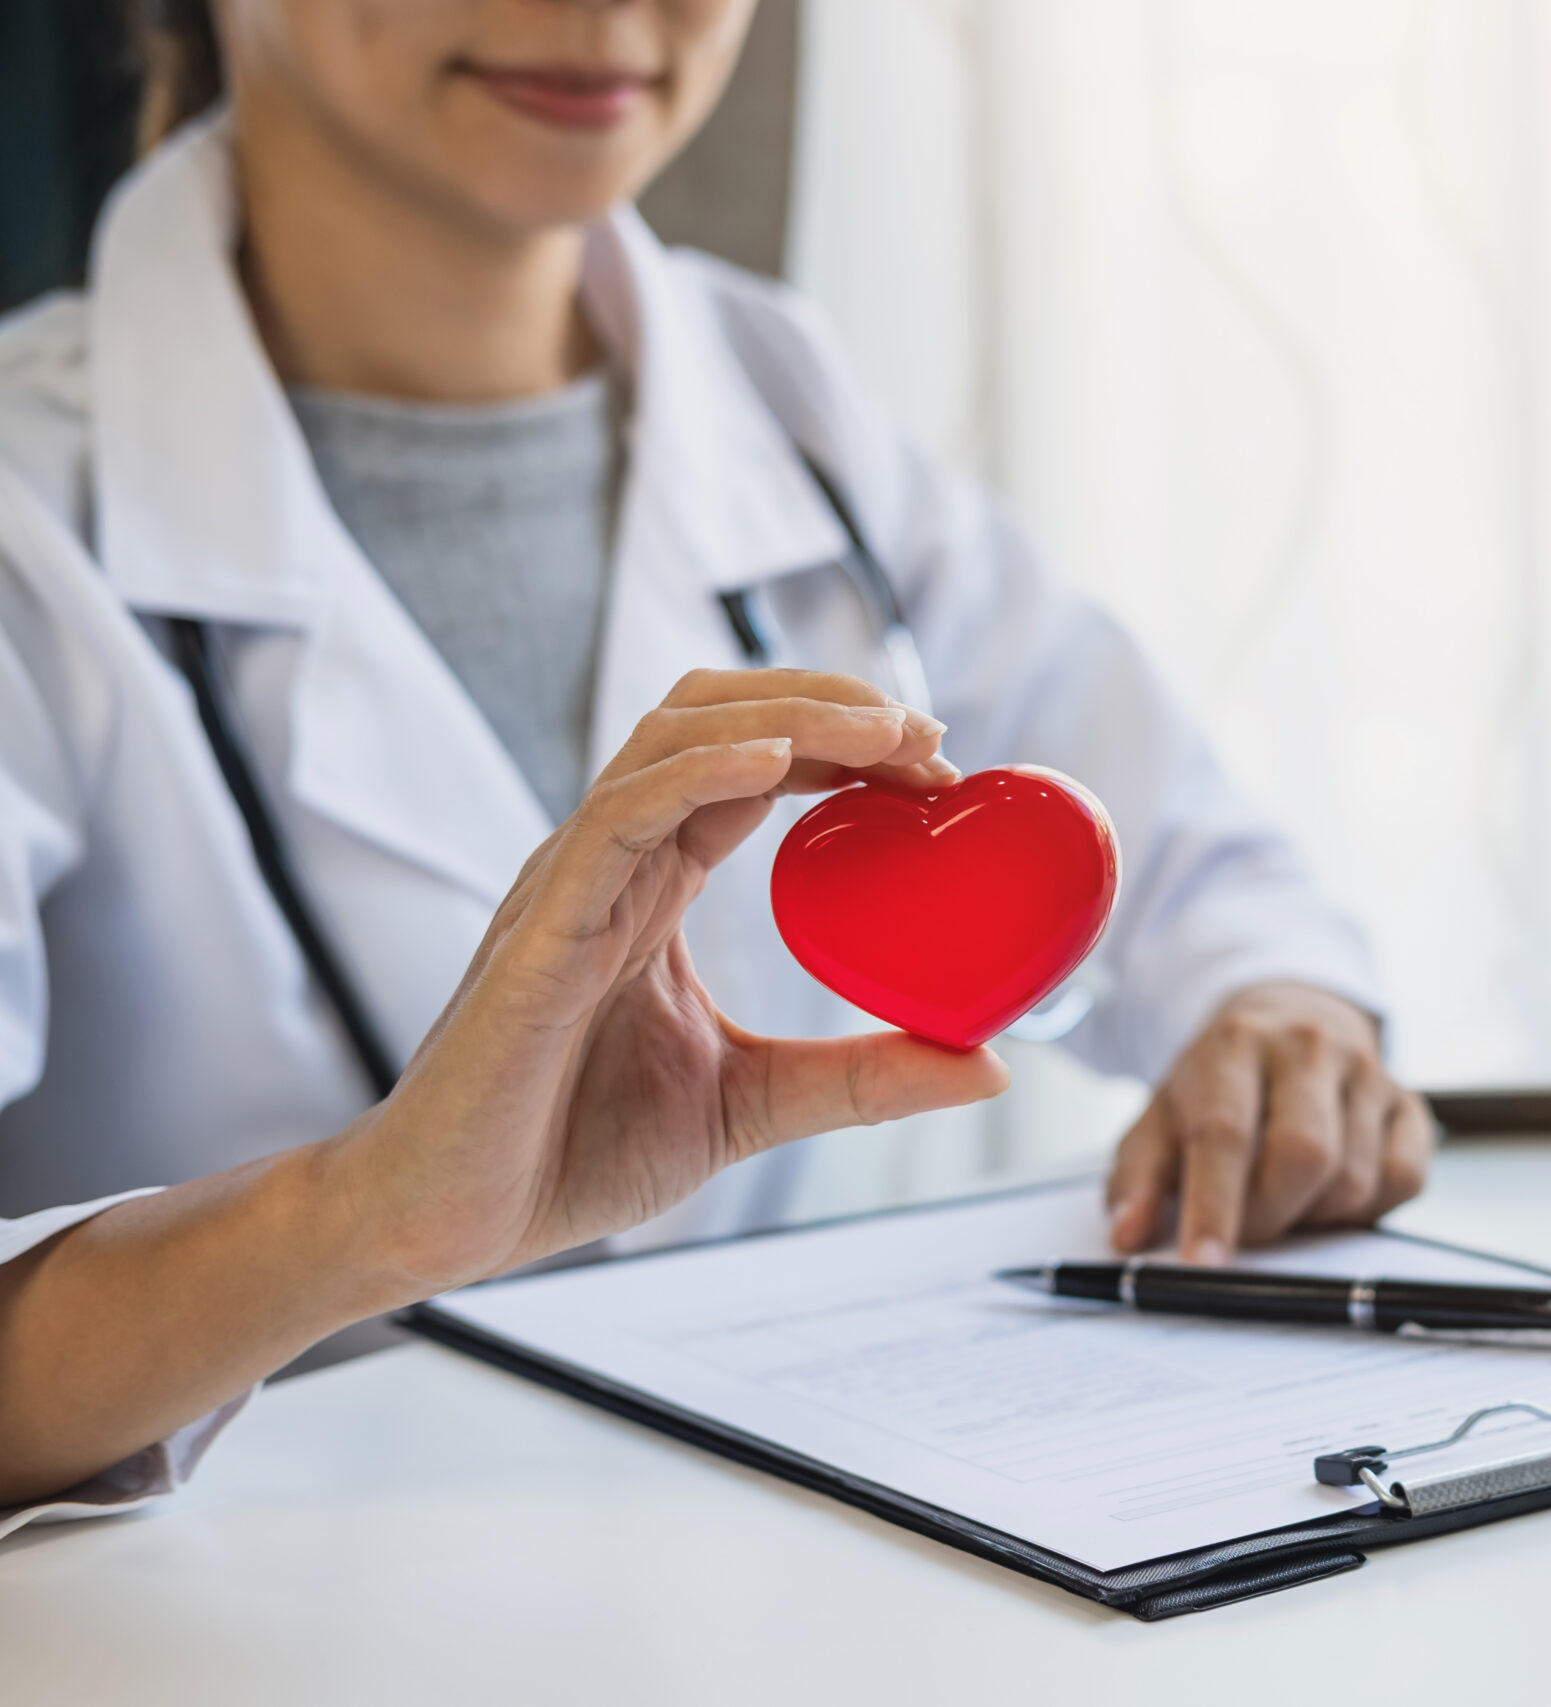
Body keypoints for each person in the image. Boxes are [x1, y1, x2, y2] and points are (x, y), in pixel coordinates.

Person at [0, 0, 1431, 1525]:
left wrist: (1276, 1022)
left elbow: (1183, 867)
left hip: (763, 1586)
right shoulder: (34, 510)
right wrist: (364, 1220)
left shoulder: (781, 395)